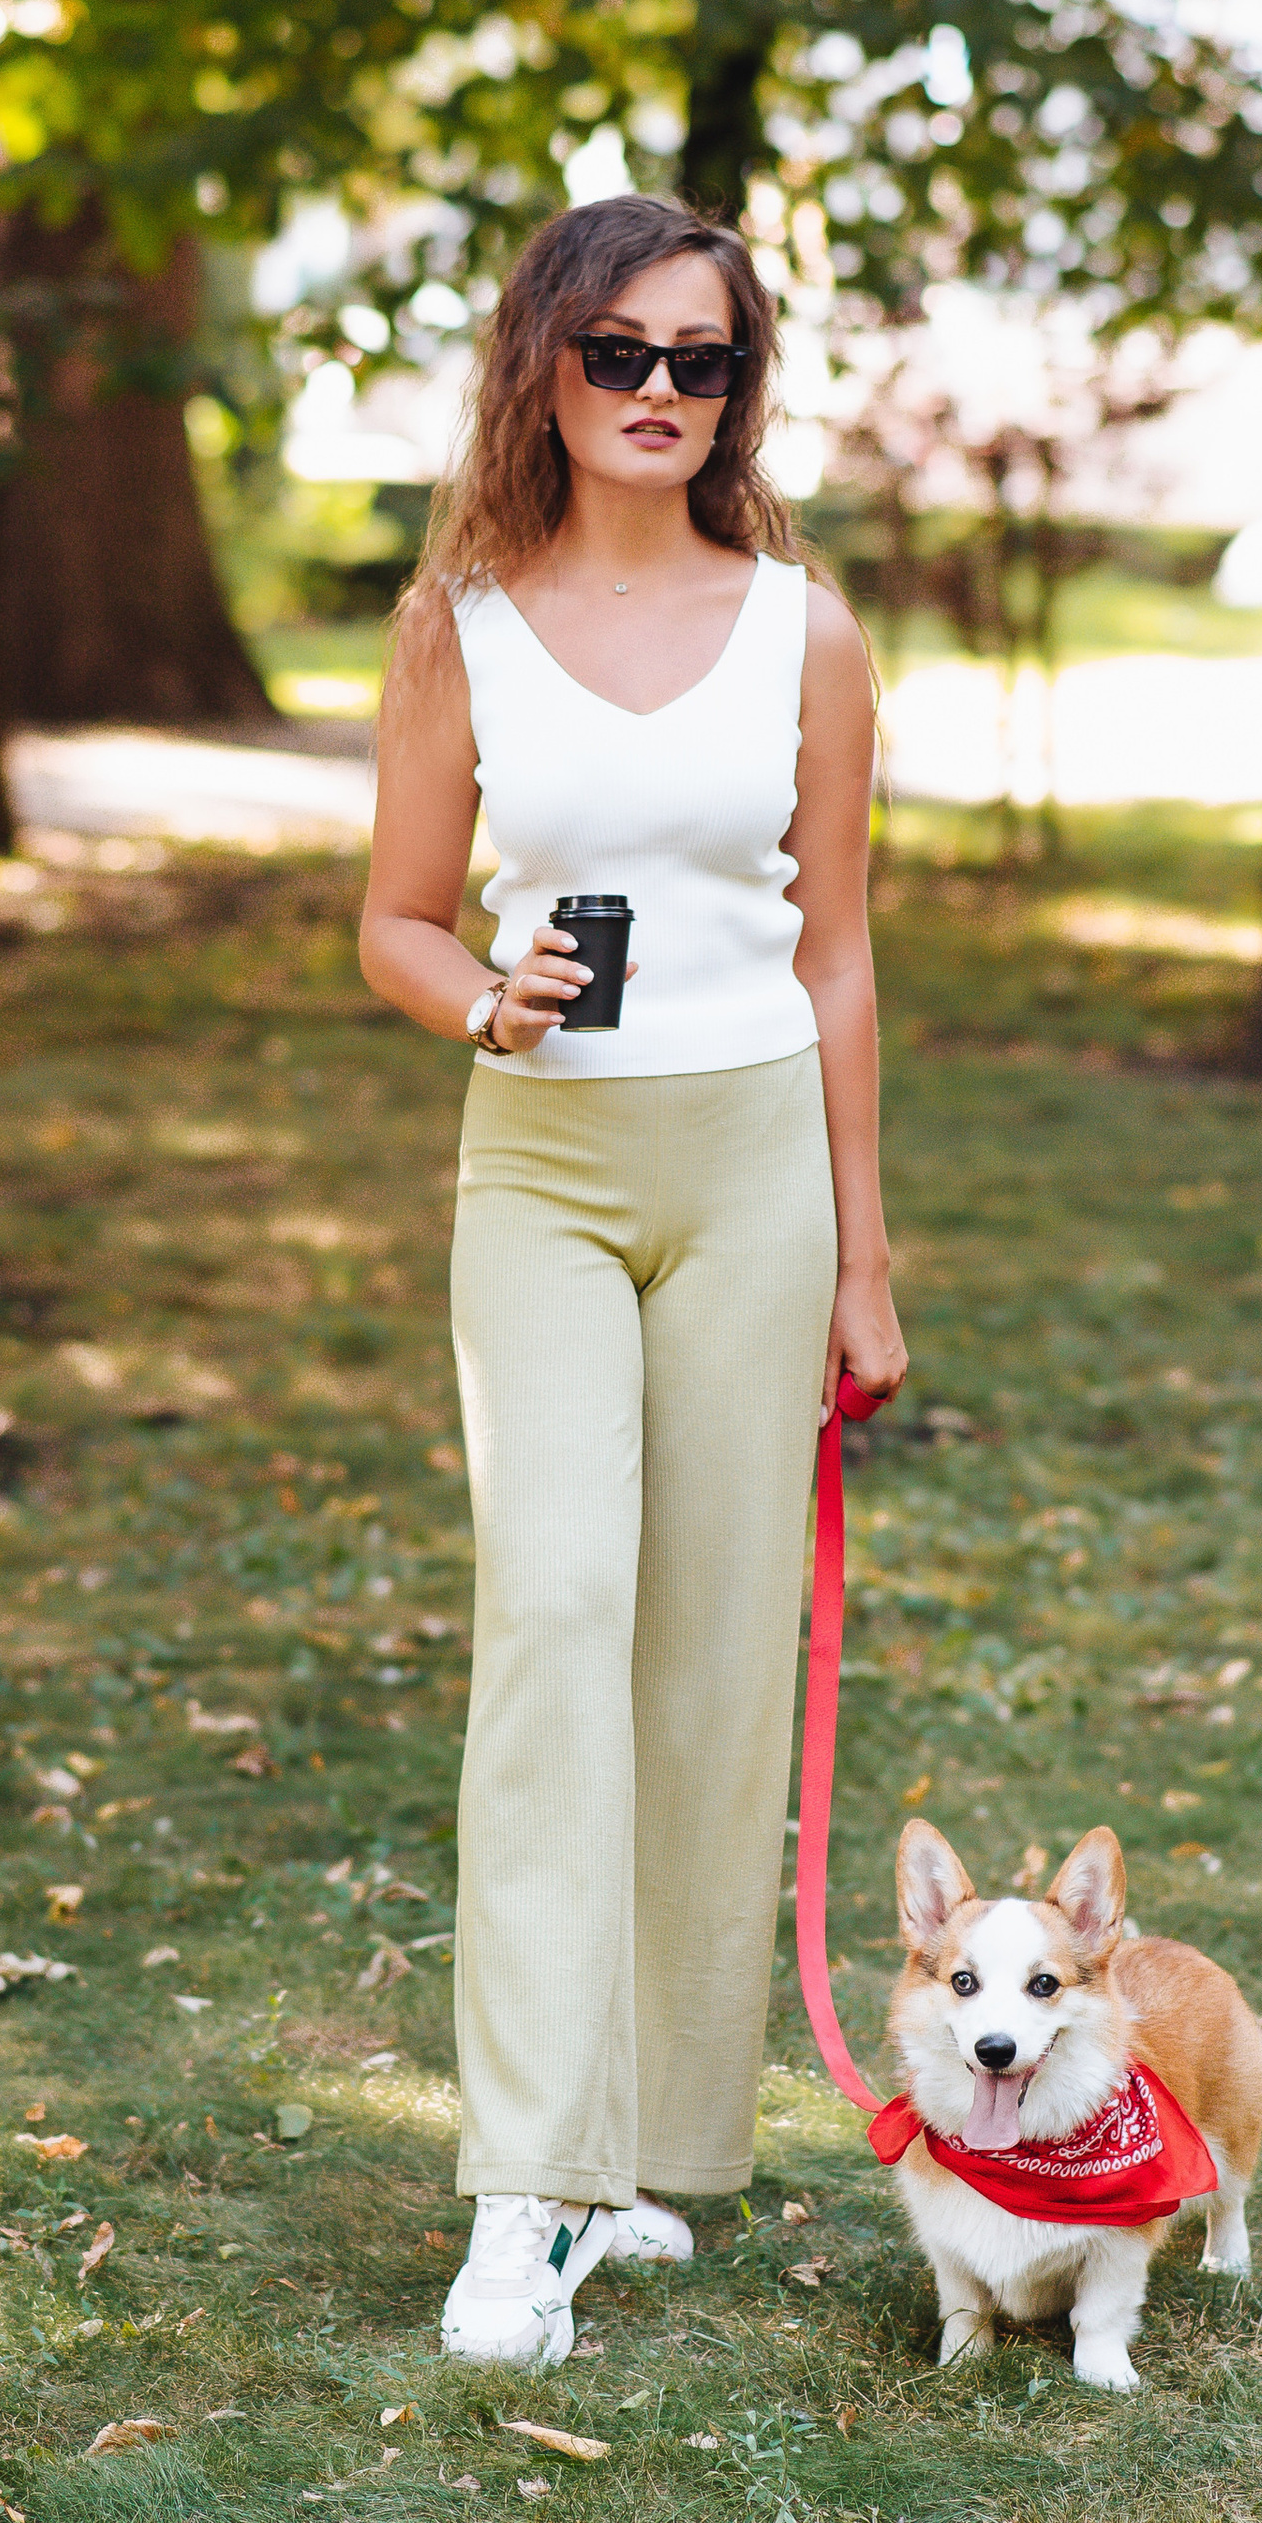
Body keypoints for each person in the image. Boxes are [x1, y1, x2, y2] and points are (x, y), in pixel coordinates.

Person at [359, 192, 908, 2367]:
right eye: (620, 351)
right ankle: (524, 2181)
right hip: (547, 1169)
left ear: (737, 386)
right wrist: (480, 999)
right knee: (557, 1612)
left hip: (755, 1165)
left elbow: (838, 952)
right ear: (546, 365)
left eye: (703, 357)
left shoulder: (806, 631)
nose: (661, 389)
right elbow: (397, 917)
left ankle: (644, 2155)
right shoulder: (457, 626)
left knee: (709, 1655)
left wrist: (866, 1254)